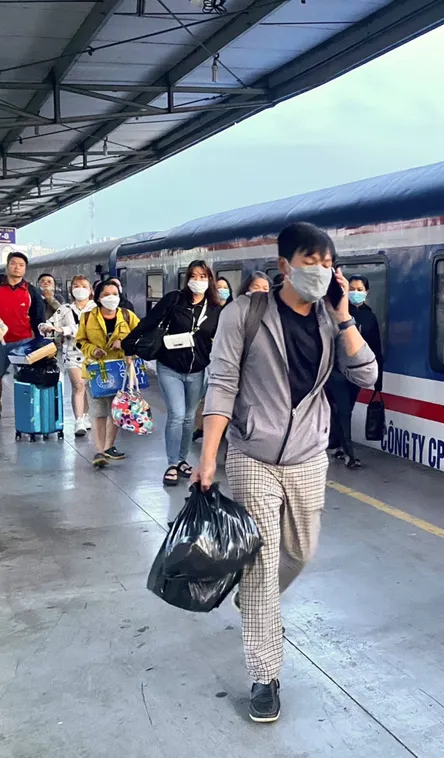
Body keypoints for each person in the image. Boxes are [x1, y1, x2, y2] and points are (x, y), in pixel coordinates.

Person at [193, 221, 377, 723]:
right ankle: (265, 675)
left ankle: (254, 602)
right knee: (260, 559)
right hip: (252, 453)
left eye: (326, 263)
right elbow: (223, 384)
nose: (318, 271)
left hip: (308, 457)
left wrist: (343, 317)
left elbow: (367, 375)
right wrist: (209, 456)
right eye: (309, 261)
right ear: (283, 266)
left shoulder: (328, 319)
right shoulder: (244, 314)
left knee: (300, 551)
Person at [126, 260, 222, 486]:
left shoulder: (216, 309)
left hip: (198, 369)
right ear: (187, 278)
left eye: (202, 277)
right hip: (170, 366)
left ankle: (181, 459)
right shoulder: (174, 300)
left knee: (189, 418)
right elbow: (150, 322)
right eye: (194, 276)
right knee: (177, 414)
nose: (197, 281)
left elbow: (221, 338)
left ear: (210, 280)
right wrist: (130, 344)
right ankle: (171, 463)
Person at [76, 279, 139, 468]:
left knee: (116, 411)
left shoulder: (128, 316)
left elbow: (141, 337)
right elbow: (80, 341)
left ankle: (108, 446)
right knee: (98, 412)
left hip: (121, 371)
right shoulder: (87, 317)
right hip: (96, 370)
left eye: (114, 294)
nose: (111, 298)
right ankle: (99, 451)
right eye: (106, 295)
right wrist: (92, 350)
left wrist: (125, 344)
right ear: (98, 297)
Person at [327, 275, 384, 467]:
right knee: (344, 411)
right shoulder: (339, 313)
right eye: (352, 288)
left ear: (367, 292)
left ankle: (338, 445)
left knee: (347, 410)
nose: (355, 293)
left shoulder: (370, 317)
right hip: (336, 372)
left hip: (357, 374)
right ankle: (349, 455)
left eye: (360, 289)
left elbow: (375, 348)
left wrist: (378, 382)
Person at [39, 275, 96, 437]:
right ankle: (79, 420)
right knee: (78, 386)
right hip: (71, 353)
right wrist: (46, 327)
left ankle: (85, 415)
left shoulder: (97, 309)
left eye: (83, 285)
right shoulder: (64, 309)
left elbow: (88, 330)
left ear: (90, 290)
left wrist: (63, 330)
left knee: (88, 388)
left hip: (93, 354)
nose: (79, 288)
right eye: (76, 285)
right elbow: (49, 322)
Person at [0, 251, 46, 413]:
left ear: (25, 269)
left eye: (21, 265)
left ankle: (29, 411)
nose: (17, 268)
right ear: (7, 266)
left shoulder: (31, 292)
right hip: (1, 342)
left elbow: (38, 319)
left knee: (27, 378)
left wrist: (40, 343)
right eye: (13, 264)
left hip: (24, 342)